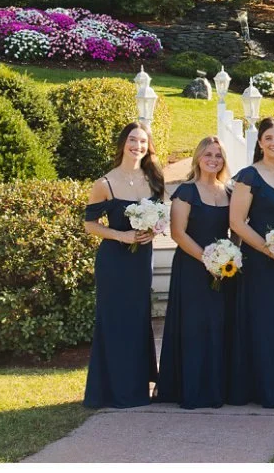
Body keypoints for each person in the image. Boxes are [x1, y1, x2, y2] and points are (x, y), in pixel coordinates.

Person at [83, 122, 165, 408]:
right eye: (133, 140)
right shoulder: (104, 183)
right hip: (114, 263)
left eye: (143, 142)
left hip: (142, 260)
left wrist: (153, 231)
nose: (138, 146)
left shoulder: (154, 179)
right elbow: (89, 225)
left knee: (139, 319)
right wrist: (121, 235)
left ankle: (137, 388)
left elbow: (161, 218)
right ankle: (110, 391)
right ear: (123, 143)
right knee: (114, 321)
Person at [228, 117, 274, 407]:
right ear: (260, 143)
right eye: (268, 138)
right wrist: (266, 249)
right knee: (264, 323)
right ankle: (264, 389)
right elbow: (237, 222)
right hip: (260, 261)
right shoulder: (249, 176)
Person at [156, 136, 232, 409]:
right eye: (208, 154)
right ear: (198, 157)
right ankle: (189, 390)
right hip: (192, 265)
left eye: (219, 155)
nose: (213, 159)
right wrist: (208, 260)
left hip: (223, 271)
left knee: (218, 326)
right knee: (193, 327)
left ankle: (215, 390)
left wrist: (227, 262)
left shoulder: (229, 191)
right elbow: (178, 233)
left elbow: (235, 230)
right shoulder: (186, 191)